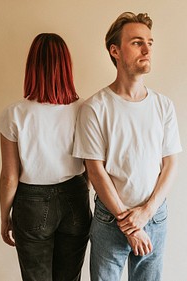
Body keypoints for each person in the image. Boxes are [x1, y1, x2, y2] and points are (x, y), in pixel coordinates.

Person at [72, 12, 182, 281]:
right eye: (136, 42)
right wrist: (130, 225)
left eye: (150, 42)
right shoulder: (94, 108)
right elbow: (95, 171)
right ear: (115, 50)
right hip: (110, 221)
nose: (147, 49)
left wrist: (146, 212)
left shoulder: (163, 106)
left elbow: (170, 164)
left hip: (155, 217)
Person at [0, 33, 91, 281]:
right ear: (66, 66)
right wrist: (83, 190)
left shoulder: (14, 114)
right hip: (75, 197)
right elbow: (91, 165)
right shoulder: (84, 110)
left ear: (31, 67)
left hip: (31, 203)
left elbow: (9, 177)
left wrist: (5, 217)